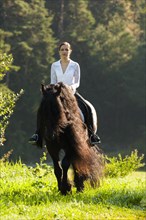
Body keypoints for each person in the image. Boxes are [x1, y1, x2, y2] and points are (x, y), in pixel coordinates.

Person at [29, 42, 101, 146]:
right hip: (57, 93)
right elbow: (53, 81)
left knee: (86, 107)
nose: (64, 52)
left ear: (70, 51)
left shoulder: (75, 65)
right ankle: (37, 134)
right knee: (43, 108)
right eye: (62, 49)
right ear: (59, 52)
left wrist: (71, 87)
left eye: (66, 49)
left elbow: (77, 82)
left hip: (71, 93)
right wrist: (51, 89)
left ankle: (91, 135)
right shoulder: (54, 65)